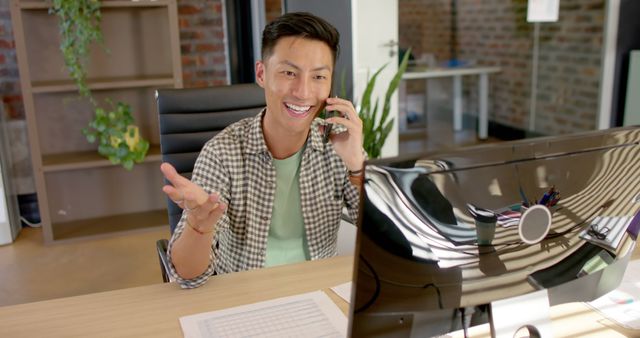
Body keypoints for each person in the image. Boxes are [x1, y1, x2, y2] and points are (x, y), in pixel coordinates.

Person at [160, 12, 365, 288]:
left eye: (318, 76)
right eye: (289, 73)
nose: (303, 92)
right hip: (245, 297)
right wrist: (199, 225)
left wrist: (357, 167)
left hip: (318, 293)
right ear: (261, 74)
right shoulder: (222, 153)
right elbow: (188, 275)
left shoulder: (338, 147)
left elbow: (385, 241)